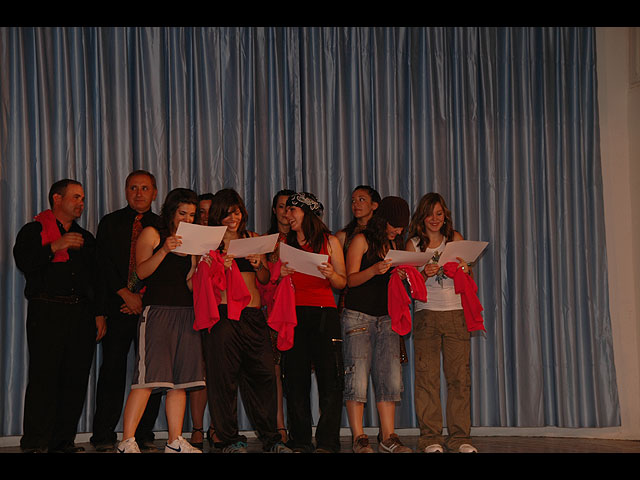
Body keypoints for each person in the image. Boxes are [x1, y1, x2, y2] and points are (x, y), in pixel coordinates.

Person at [13, 179, 106, 453]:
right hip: (47, 312)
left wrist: (99, 314)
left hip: (81, 314)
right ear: (57, 198)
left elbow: (97, 279)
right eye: (76, 197)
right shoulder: (34, 230)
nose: (81, 203)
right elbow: (24, 261)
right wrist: (55, 246)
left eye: (83, 198)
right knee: (44, 378)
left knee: (75, 379)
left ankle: (62, 441)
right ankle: (35, 442)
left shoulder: (85, 237)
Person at [198, 188, 291, 453]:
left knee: (263, 375)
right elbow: (197, 283)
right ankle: (229, 439)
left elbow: (264, 279)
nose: (233, 218)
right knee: (223, 379)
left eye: (236, 212)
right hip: (223, 316)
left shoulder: (254, 238)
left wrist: (259, 264)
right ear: (217, 216)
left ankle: (271, 438)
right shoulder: (209, 244)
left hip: (252, 315)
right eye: (227, 214)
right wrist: (218, 266)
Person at [117, 188, 205, 454]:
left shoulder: (192, 241)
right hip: (157, 313)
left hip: (186, 313)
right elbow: (140, 272)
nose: (187, 219)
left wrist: (203, 267)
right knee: (147, 380)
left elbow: (189, 283)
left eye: (192, 215)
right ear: (171, 211)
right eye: (182, 213)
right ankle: (127, 441)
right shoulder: (153, 233)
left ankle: (175, 440)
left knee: (179, 382)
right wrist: (165, 249)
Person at [90, 170, 163, 452]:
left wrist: (143, 299)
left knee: (150, 374)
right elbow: (101, 266)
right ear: (125, 191)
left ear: (154, 192)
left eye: (145, 188)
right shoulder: (110, 223)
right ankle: (103, 435)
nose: (139, 193)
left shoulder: (163, 225)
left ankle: (143, 433)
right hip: (118, 306)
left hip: (151, 309)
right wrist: (124, 293)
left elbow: (165, 268)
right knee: (112, 371)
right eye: (133, 188)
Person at [405, 192, 477, 453]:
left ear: (445, 216)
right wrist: (423, 274)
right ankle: (430, 438)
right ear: (421, 217)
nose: (434, 219)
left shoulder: (455, 239)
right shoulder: (413, 245)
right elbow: (406, 287)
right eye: (429, 214)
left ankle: (460, 438)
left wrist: (466, 270)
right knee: (427, 378)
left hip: (456, 313)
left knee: (459, 378)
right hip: (426, 315)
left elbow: (468, 276)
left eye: (439, 214)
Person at [342, 196, 413, 453]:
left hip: (388, 317)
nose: (398, 231)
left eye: (402, 227)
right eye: (395, 226)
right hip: (358, 316)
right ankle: (359, 437)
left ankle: (388, 436)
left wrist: (402, 275)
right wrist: (374, 270)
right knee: (357, 378)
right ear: (383, 220)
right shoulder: (361, 240)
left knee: (390, 378)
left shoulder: (396, 244)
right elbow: (349, 280)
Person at [279, 192, 347, 453]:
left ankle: (328, 441)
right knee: (295, 380)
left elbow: (342, 282)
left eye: (292, 210)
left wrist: (331, 274)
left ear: (307, 213)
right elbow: (273, 280)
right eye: (286, 210)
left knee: (330, 379)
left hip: (323, 314)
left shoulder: (329, 241)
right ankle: (300, 440)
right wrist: (281, 273)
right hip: (294, 314)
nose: (287, 215)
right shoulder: (285, 242)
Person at [264, 188, 295, 443]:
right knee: (273, 371)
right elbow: (260, 281)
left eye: (291, 207)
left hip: (300, 310)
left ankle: (299, 426)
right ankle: (279, 425)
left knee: (296, 371)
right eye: (282, 206)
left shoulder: (304, 240)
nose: (286, 212)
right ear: (274, 211)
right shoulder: (265, 242)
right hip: (271, 312)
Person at [189, 191, 215, 449]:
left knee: (220, 371)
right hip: (192, 310)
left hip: (220, 311)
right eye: (201, 212)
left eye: (210, 211)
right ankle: (197, 428)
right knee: (199, 372)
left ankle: (218, 427)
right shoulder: (187, 239)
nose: (206, 217)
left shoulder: (226, 239)